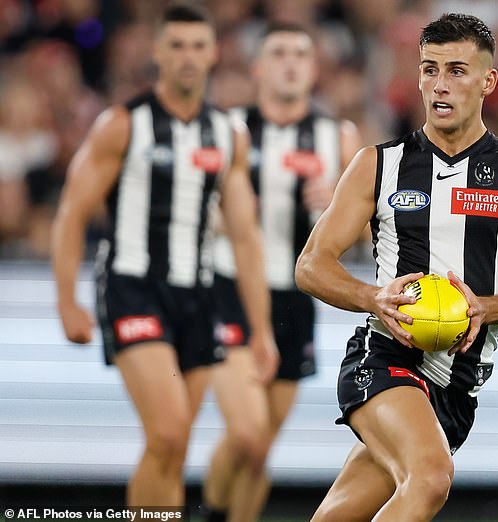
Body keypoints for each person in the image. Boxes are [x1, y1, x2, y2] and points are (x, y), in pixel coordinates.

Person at [296, 13, 498, 522]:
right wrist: (374, 297)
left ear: (489, 82)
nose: (440, 85)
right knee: (430, 480)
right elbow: (311, 266)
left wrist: (486, 306)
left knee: (338, 516)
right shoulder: (378, 164)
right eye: (429, 69)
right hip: (385, 357)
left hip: (457, 386)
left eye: (457, 71)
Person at [51, 3, 278, 508]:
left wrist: (260, 329)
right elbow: (71, 214)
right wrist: (67, 301)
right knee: (170, 433)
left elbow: (244, 238)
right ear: (156, 51)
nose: (188, 57)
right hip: (133, 287)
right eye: (176, 45)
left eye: (198, 45)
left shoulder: (227, 135)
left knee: (171, 450)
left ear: (215, 52)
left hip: (197, 297)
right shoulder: (121, 125)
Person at [202, 23, 361, 522]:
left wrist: (339, 202)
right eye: (278, 53)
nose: (290, 62)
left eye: (300, 54)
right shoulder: (228, 129)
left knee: (260, 449)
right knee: (247, 434)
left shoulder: (338, 137)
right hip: (229, 287)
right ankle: (208, 512)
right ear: (258, 67)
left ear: (313, 70)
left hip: (295, 297)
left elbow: (356, 236)